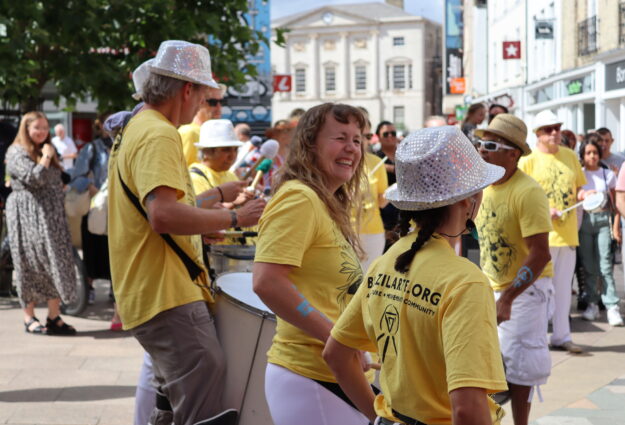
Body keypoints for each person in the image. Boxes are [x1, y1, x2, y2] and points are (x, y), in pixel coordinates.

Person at [107, 40, 265, 425]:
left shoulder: (139, 127)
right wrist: (234, 218)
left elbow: (155, 211)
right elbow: (162, 215)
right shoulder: (159, 133)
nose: (202, 107)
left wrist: (215, 196)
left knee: (172, 402)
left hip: (151, 289)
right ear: (187, 89)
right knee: (203, 390)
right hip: (166, 291)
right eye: (205, 97)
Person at [323, 126, 507, 425]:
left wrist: (381, 417)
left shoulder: (388, 259)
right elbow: (467, 409)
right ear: (467, 198)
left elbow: (336, 355)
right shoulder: (465, 281)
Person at [253, 103, 371, 425]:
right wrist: (335, 337)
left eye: (358, 140)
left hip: (329, 374)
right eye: (340, 138)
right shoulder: (299, 198)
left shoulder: (322, 201)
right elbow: (267, 281)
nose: (351, 148)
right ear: (309, 145)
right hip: (308, 376)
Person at [474, 114, 553, 425]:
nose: (482, 150)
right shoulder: (484, 186)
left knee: (519, 367)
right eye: (480, 143)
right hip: (491, 286)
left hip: (526, 291)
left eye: (491, 145)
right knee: (490, 363)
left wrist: (508, 297)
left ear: (514, 153)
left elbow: (540, 254)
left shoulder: (528, 192)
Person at [519, 110, 586, 354]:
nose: (555, 132)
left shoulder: (570, 156)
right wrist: (544, 209)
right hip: (540, 235)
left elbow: (578, 187)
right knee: (539, 290)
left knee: (562, 289)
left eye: (557, 127)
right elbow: (520, 196)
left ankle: (561, 336)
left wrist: (585, 196)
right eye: (549, 129)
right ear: (537, 133)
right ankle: (537, 337)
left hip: (567, 233)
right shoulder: (528, 161)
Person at [5, 111, 78, 335]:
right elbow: (33, 178)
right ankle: (29, 317)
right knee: (30, 263)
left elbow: (55, 177)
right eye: (37, 128)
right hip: (28, 217)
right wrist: (47, 157)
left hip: (52, 218)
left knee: (55, 262)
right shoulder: (16, 151)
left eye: (45, 128)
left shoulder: (45, 150)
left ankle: (54, 317)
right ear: (26, 129)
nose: (42, 132)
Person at [577, 138, 623, 326]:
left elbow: (616, 203)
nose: (592, 156)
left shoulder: (607, 174)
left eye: (595, 152)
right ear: (583, 155)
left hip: (604, 220)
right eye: (588, 153)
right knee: (589, 266)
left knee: (605, 264)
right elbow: (575, 196)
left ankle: (612, 306)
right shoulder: (579, 174)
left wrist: (616, 226)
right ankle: (593, 304)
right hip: (586, 221)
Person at [358, 119, 388, 272]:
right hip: (343, 230)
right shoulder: (339, 162)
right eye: (360, 135)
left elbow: (382, 202)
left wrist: (390, 194)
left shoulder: (376, 162)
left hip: (372, 232)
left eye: (367, 136)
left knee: (367, 280)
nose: (364, 140)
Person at [178, 82, 226, 167]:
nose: (219, 107)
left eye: (221, 101)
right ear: (200, 101)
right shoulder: (190, 132)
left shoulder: (211, 132)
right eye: (213, 102)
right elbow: (183, 171)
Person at [375, 120, 399, 250]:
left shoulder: (403, 154)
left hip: (403, 210)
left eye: (393, 133)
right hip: (384, 210)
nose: (390, 136)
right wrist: (389, 168)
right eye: (386, 134)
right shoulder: (376, 157)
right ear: (378, 137)